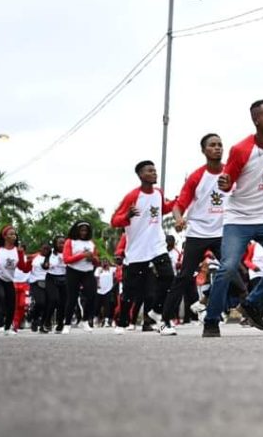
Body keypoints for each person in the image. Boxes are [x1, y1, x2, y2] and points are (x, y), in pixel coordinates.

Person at [204, 103, 263, 338]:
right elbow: (228, 179)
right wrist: (224, 184)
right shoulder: (241, 149)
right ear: (256, 121)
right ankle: (211, 320)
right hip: (238, 219)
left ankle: (250, 304)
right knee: (228, 266)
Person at [162, 133, 228, 335]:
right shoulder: (197, 176)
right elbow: (178, 205)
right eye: (212, 145)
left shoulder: (230, 171)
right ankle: (165, 321)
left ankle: (213, 303)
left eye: (220, 145)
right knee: (183, 277)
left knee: (233, 271)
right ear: (204, 151)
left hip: (222, 232)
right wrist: (179, 218)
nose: (217, 148)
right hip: (198, 233)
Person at [110, 161, 175, 333]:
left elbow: (164, 209)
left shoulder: (158, 193)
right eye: (150, 171)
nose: (154, 173)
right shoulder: (132, 196)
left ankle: (156, 312)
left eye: (155, 170)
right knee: (130, 291)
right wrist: (127, 215)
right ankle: (122, 322)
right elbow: (114, 221)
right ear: (140, 175)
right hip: (138, 250)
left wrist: (178, 201)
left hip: (157, 245)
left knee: (168, 276)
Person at [0, 225, 29, 335]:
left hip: (8, 280)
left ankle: (7, 328)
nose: (14, 236)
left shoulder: (18, 251)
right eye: (11, 234)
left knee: (11, 304)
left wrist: (29, 261)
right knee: (0, 296)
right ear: (4, 236)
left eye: (14, 234)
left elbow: (23, 268)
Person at [63, 220, 99, 332]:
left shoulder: (91, 243)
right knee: (72, 298)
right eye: (82, 230)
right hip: (73, 271)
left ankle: (85, 320)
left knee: (91, 295)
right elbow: (66, 259)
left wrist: (92, 258)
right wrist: (83, 255)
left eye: (86, 230)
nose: (84, 232)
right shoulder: (70, 242)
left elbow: (97, 261)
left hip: (87, 272)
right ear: (77, 230)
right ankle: (67, 324)